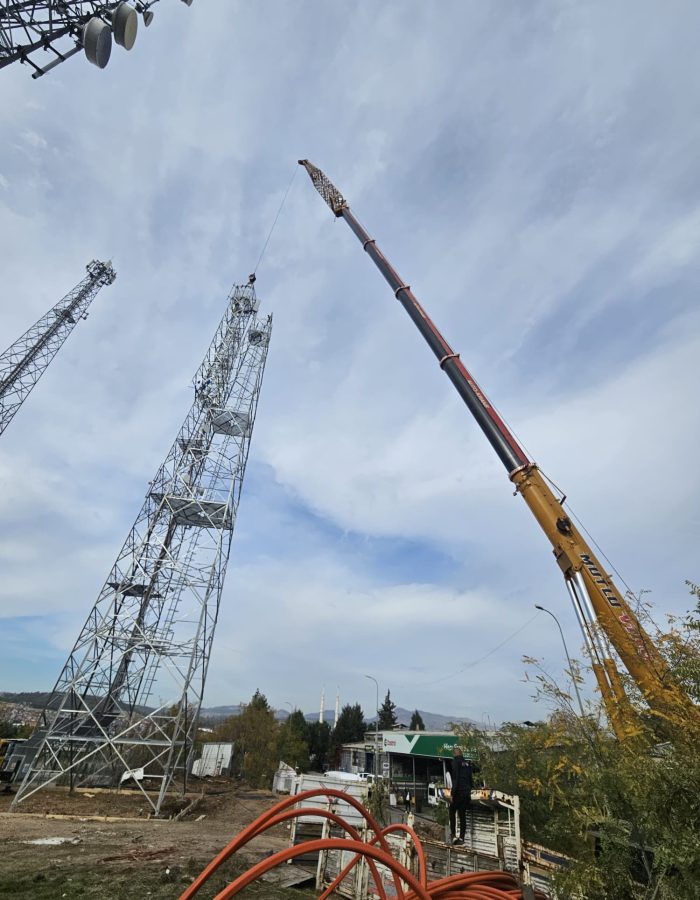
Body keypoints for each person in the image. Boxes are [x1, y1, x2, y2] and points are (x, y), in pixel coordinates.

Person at [446, 745, 480, 845]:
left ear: (454, 754)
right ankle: (462, 837)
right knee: (462, 815)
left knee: (452, 810)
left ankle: (453, 835)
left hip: (458, 792)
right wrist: (471, 788)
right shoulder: (467, 763)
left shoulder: (455, 762)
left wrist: (452, 793)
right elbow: (470, 778)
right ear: (461, 753)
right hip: (466, 792)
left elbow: (455, 778)